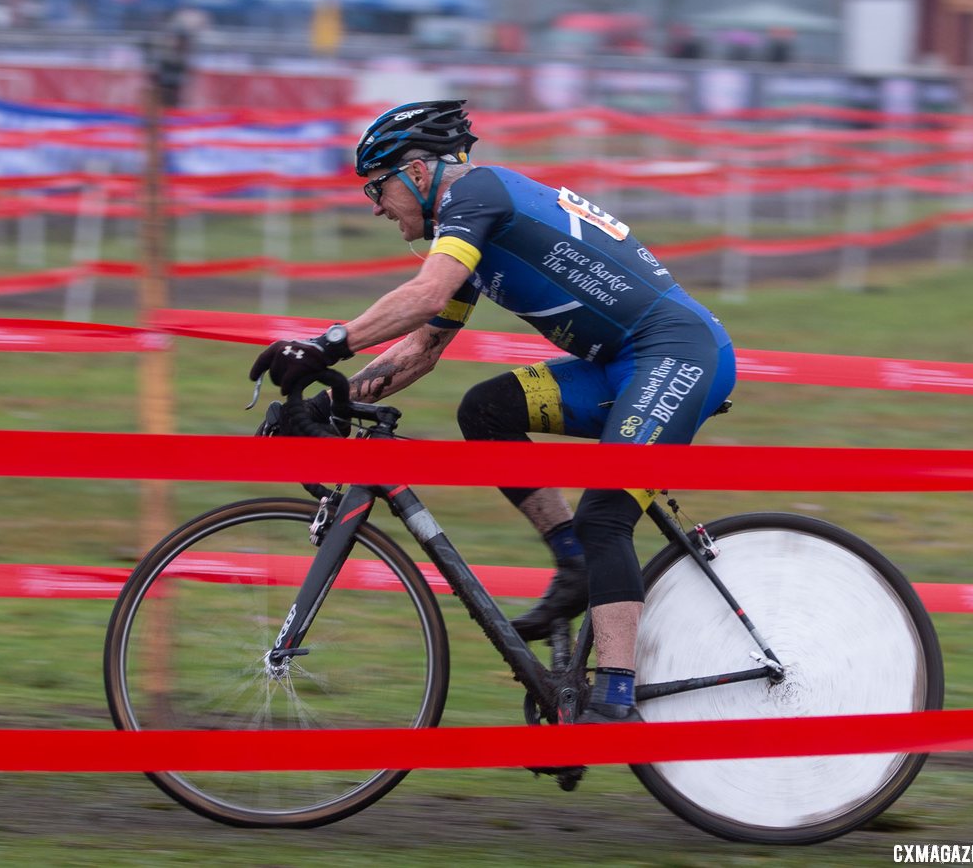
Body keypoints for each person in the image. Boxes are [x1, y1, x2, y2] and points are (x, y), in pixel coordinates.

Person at [250, 101, 736, 723]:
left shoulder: (477, 195)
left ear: (418, 173)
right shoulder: (472, 226)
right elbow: (421, 348)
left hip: (677, 354)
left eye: (377, 186)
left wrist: (325, 343)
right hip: (621, 363)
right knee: (486, 410)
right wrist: (329, 399)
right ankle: (575, 563)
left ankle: (614, 701)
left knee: (607, 515)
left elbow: (424, 293)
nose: (374, 205)